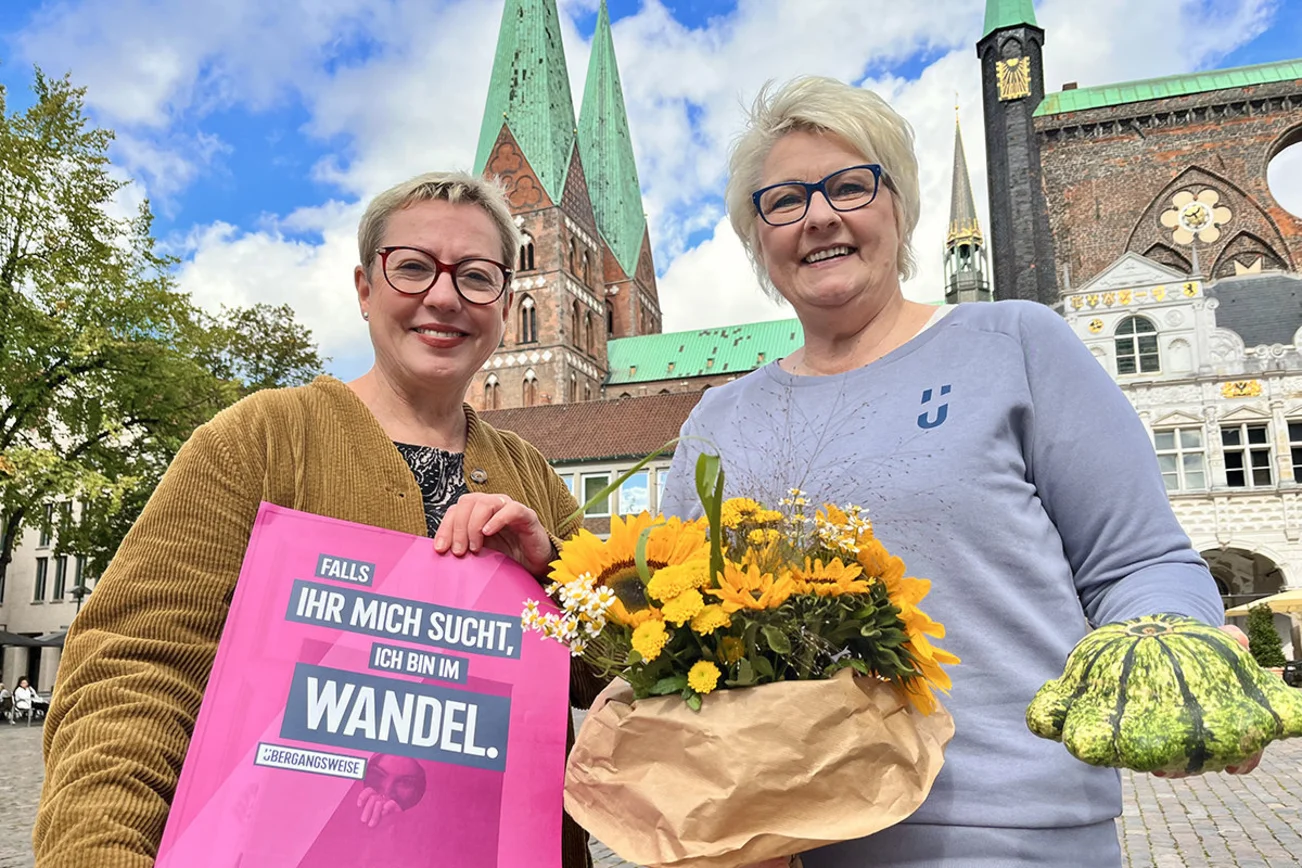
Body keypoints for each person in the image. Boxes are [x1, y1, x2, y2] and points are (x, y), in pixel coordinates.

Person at [660, 76, 1245, 868]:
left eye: (849, 185)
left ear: (897, 207)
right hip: (779, 847)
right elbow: (676, 629)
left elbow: (1138, 562)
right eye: (785, 200)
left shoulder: (1015, 346)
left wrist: (1177, 646)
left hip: (1007, 836)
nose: (821, 215)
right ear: (757, 236)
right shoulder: (716, 424)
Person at [34, 172, 599, 868]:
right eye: (414, 267)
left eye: (476, 276)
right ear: (365, 289)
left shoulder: (532, 475)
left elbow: (620, 676)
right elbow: (134, 671)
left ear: (505, 304)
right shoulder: (259, 439)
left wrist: (556, 578)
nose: (445, 296)